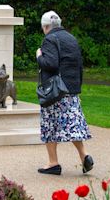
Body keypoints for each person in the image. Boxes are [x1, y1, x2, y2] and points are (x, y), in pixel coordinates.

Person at [35, 10, 93, 175]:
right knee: (72, 124)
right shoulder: (71, 38)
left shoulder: (49, 39)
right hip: (71, 89)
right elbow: (79, 65)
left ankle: (53, 163)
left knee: (49, 125)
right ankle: (84, 155)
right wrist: (76, 87)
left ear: (46, 27)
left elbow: (50, 64)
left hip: (55, 92)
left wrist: (39, 56)